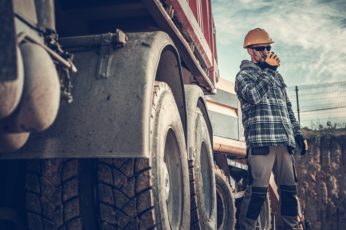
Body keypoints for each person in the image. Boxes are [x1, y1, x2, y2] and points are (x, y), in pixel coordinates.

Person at [235, 28, 307, 229]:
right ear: (250, 51)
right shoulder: (243, 76)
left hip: (284, 142)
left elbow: (288, 108)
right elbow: (253, 96)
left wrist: (298, 133)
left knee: (289, 193)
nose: (266, 51)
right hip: (262, 143)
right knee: (257, 194)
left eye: (268, 47)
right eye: (261, 48)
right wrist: (268, 70)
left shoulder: (277, 76)